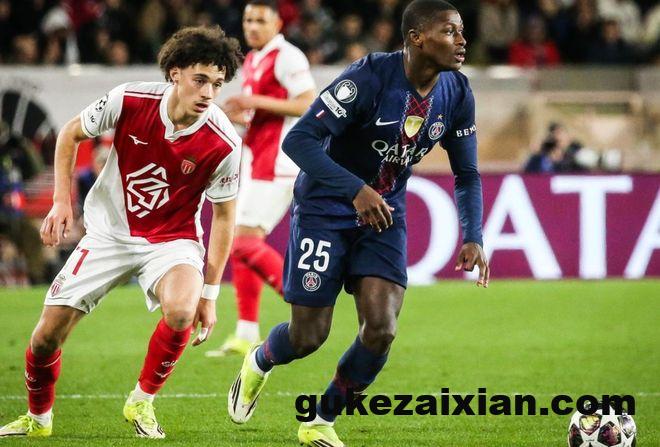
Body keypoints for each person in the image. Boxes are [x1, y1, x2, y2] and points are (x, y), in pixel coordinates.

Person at [227, 1, 489, 446]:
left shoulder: (457, 92)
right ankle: (260, 360)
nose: (462, 41)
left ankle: (320, 421)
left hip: (383, 215)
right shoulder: (368, 77)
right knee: (308, 336)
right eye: (450, 32)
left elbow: (466, 174)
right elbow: (300, 140)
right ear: (416, 38)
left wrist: (474, 235)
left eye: (461, 31)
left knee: (381, 329)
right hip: (325, 210)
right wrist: (355, 190)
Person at [0, 25, 243, 439]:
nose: (208, 92)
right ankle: (38, 419)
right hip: (108, 233)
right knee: (44, 338)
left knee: (181, 312)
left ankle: (141, 402)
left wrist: (210, 293)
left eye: (217, 84)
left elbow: (223, 218)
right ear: (175, 73)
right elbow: (70, 133)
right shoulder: (129, 99)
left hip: (172, 241)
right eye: (200, 79)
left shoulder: (224, 143)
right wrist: (62, 201)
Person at [206, 0, 316, 358]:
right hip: (256, 160)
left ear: (277, 23)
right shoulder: (254, 59)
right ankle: (245, 332)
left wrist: (255, 101)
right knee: (241, 243)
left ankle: (308, 305)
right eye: (248, 20)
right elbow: (265, 113)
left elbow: (308, 103)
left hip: (279, 162)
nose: (252, 26)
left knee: (241, 243)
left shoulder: (288, 57)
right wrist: (236, 115)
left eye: (260, 20)